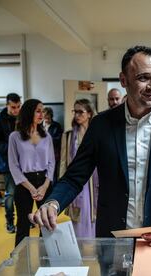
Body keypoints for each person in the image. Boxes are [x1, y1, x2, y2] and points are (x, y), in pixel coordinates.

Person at [30, 45, 151, 248]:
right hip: (112, 237)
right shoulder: (101, 125)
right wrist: (53, 202)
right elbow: (74, 177)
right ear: (124, 80)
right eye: (143, 78)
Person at [8, 99, 55, 246]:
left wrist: (45, 186)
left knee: (46, 223)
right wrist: (32, 188)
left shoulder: (47, 137)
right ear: (29, 112)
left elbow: (52, 162)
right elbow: (13, 166)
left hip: (44, 181)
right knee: (23, 223)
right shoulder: (14, 137)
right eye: (38, 111)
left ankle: (46, 257)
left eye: (43, 110)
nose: (42, 114)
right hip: (24, 183)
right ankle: (19, 259)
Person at [59, 99, 99, 238]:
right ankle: (79, 245)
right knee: (79, 215)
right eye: (74, 111)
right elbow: (64, 162)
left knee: (94, 213)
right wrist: (62, 183)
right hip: (77, 180)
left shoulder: (97, 133)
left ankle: (95, 245)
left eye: (80, 111)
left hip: (94, 181)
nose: (76, 115)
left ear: (89, 113)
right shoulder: (68, 135)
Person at [0, 93, 21, 233]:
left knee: (24, 194)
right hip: (8, 163)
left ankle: (24, 220)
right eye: (13, 107)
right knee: (10, 194)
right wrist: (12, 147)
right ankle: (9, 222)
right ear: (7, 105)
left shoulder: (22, 118)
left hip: (24, 163)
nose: (16, 110)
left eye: (18, 107)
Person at [42, 107, 63, 182]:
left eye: (48, 115)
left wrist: (46, 140)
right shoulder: (39, 126)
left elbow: (58, 140)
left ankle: (53, 191)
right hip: (41, 155)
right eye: (44, 116)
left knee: (53, 174)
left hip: (53, 154)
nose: (46, 118)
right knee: (42, 174)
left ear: (51, 115)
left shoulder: (57, 126)